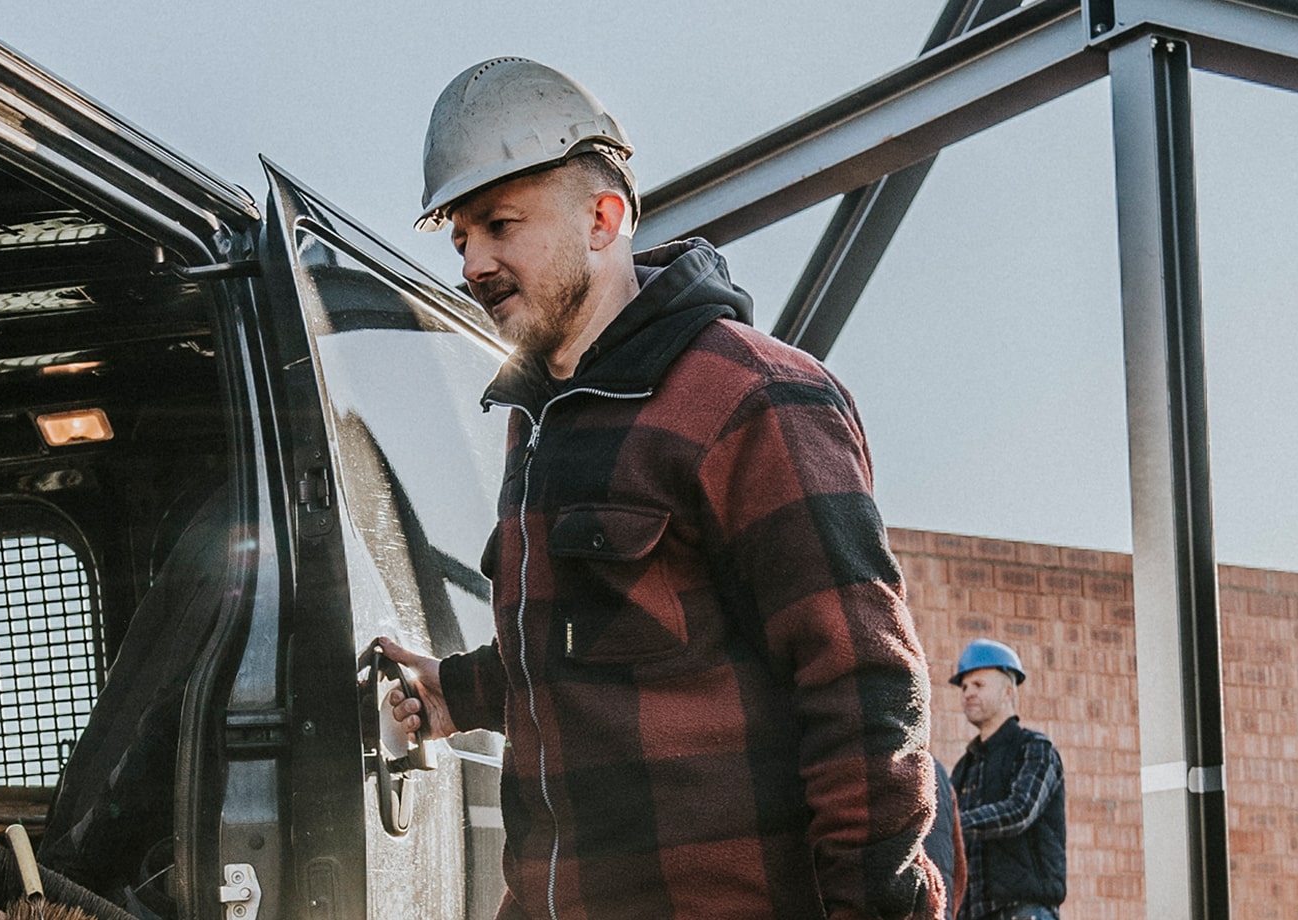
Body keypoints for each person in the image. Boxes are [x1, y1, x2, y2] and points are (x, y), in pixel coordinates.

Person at [371, 57, 950, 920]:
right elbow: (596, 643)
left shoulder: (753, 395)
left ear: (602, 218)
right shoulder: (538, 420)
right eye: (460, 239)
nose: (474, 263)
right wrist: (456, 693)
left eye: (499, 225)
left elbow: (863, 690)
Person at [948, 639, 1066, 920]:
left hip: (1024, 912)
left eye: (979, 685)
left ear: (1008, 692)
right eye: (964, 687)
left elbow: (1019, 811)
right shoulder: (963, 768)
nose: (968, 693)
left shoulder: (1034, 749)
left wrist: (952, 824)